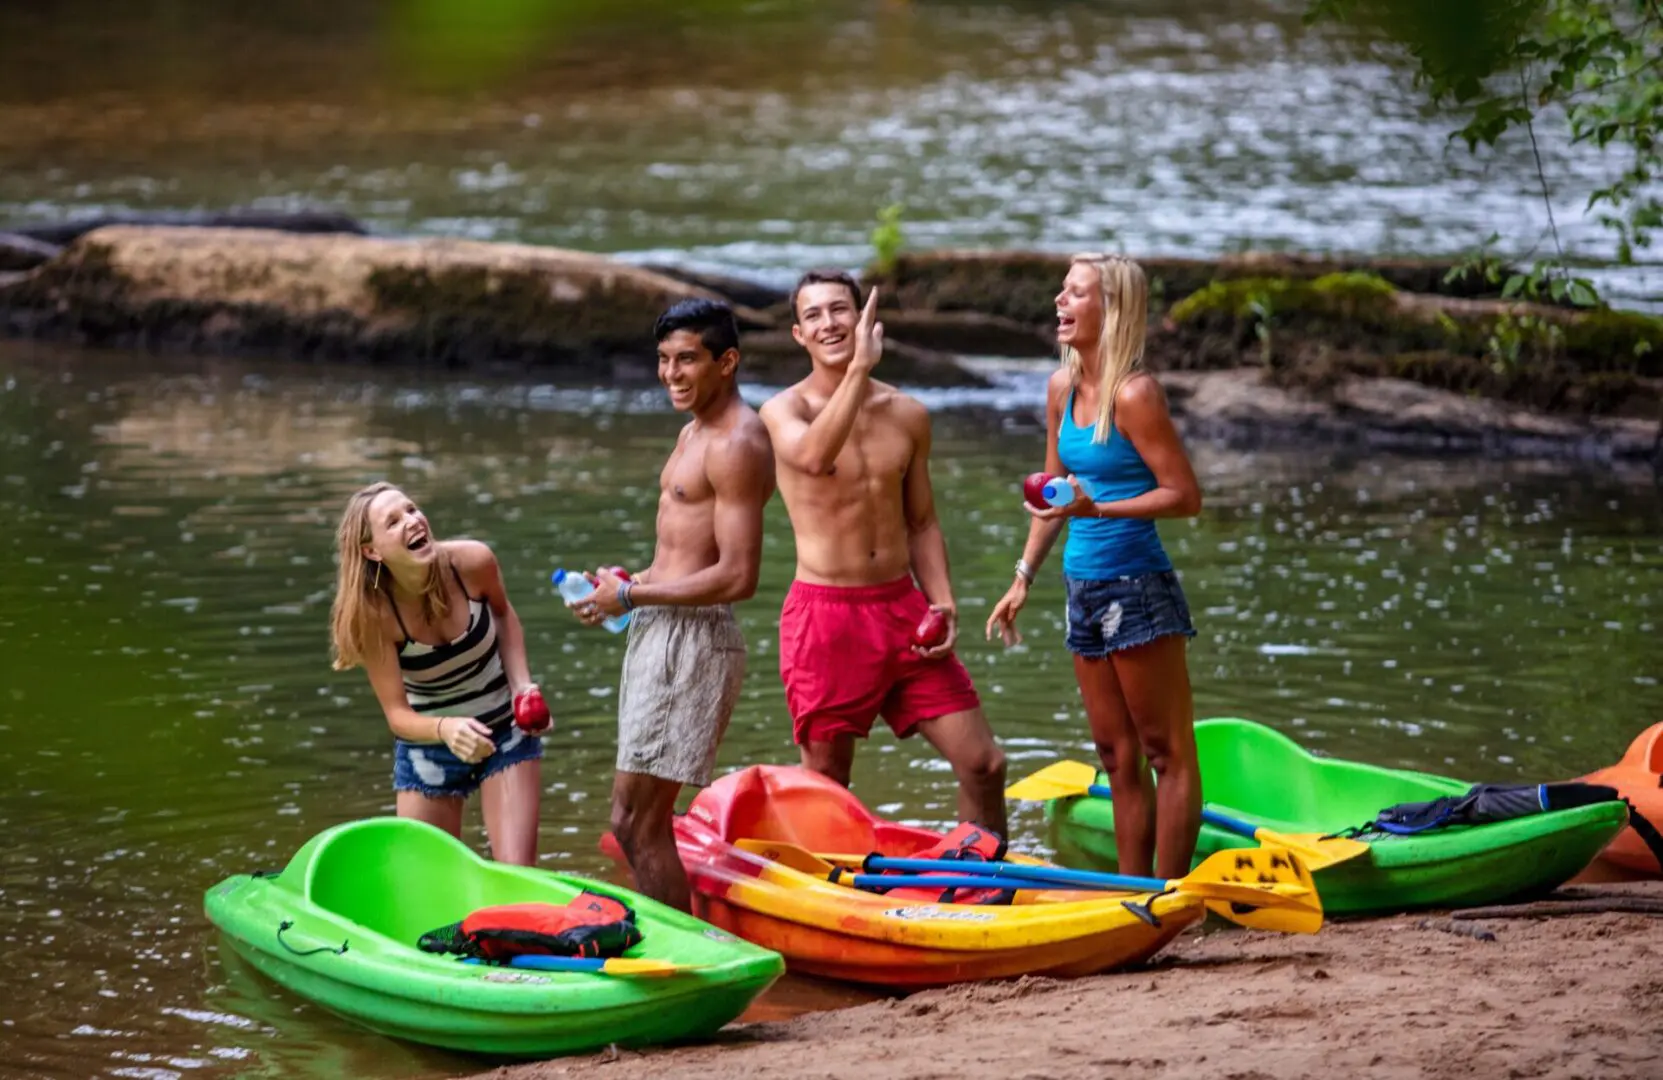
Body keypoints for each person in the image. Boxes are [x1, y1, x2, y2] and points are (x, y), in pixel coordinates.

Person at [758, 269, 1008, 840]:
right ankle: (829, 904)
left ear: (864, 318)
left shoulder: (908, 415)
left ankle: (981, 889)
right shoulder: (783, 412)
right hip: (826, 616)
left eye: (839, 309)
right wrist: (860, 370)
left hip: (902, 611)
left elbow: (921, 521)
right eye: (814, 315)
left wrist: (942, 601)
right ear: (798, 334)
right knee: (826, 780)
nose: (829, 323)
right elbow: (816, 456)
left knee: (983, 763)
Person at [985, 253, 1203, 881]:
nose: (1060, 301)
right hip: (1082, 589)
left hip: (1139, 588)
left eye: (1075, 293)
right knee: (1115, 755)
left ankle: (1167, 897)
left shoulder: (1135, 394)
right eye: (1062, 290)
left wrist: (1098, 507)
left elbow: (1184, 496)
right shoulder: (1061, 387)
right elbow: (1055, 493)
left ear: (1111, 309)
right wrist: (1022, 577)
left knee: (1167, 753)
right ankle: (1128, 894)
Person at [572, 298, 775, 912]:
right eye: (663, 359)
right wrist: (627, 583)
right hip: (659, 627)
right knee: (631, 817)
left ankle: (685, 962)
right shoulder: (692, 431)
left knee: (637, 821)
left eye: (688, 359)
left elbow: (739, 576)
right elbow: (686, 553)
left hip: (694, 642)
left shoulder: (739, 441)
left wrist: (632, 594)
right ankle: (680, 948)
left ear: (727, 361)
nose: (672, 374)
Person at [329, 482, 546, 866]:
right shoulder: (375, 616)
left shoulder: (473, 562)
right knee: (430, 890)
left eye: (411, 510)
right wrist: (446, 728)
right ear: (372, 551)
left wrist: (522, 685)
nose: (412, 521)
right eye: (393, 522)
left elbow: (504, 616)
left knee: (518, 877)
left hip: (505, 727)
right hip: (430, 746)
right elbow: (397, 716)